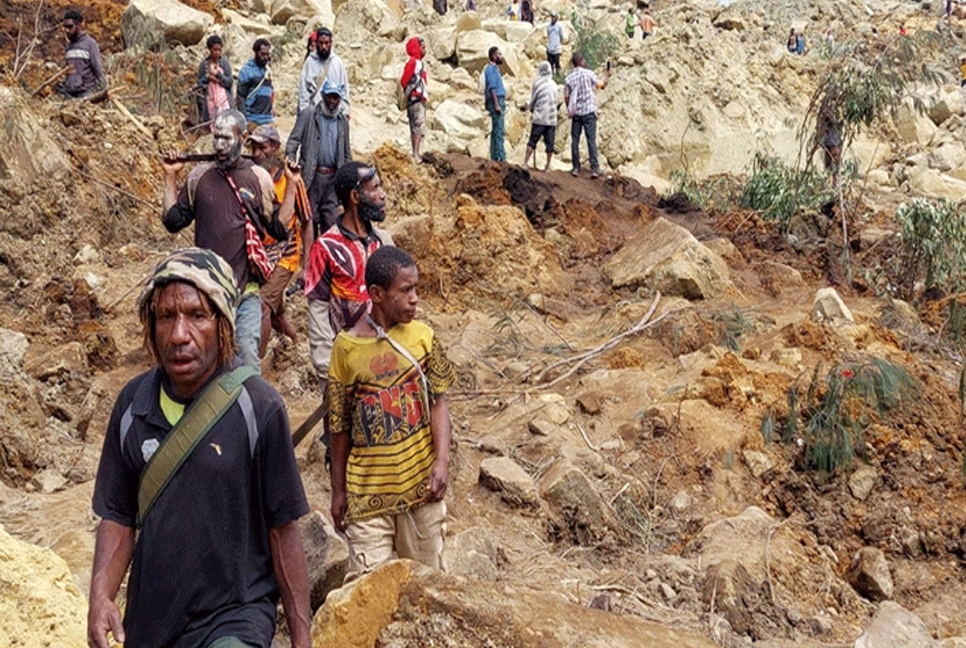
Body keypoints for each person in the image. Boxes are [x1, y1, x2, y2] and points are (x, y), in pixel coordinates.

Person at [87, 247, 310, 648]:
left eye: (196, 315)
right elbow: (118, 515)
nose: (178, 335)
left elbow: (283, 532)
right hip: (153, 626)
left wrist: (302, 637)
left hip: (235, 620)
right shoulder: (132, 406)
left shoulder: (258, 407)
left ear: (223, 323)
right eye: (166, 317)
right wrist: (100, 596)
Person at [328, 246, 456, 583]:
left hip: (421, 492)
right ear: (377, 294)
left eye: (416, 288)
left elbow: (439, 404)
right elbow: (338, 427)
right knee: (368, 592)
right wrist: (338, 491)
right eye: (405, 290)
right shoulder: (346, 349)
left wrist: (441, 461)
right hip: (367, 499)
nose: (415, 298)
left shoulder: (424, 338)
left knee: (429, 588)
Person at [162, 109, 289, 371]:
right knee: (207, 363)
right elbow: (172, 221)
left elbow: (277, 228)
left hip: (245, 293)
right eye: (215, 138)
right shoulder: (199, 177)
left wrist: (294, 185)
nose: (219, 146)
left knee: (248, 360)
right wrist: (170, 176)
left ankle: (250, 411)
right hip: (207, 293)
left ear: (242, 138)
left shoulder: (258, 178)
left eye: (226, 139)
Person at [303, 162, 394, 386]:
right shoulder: (325, 248)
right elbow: (318, 311)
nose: (382, 195)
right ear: (355, 196)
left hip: (385, 360)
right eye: (374, 188)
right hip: (346, 364)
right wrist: (327, 371)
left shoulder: (384, 242)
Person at [248, 125, 313, 359]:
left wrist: (306, 265)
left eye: (262, 147)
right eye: (253, 147)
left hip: (285, 255)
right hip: (258, 255)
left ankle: (254, 365)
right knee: (276, 314)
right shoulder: (251, 177)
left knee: (262, 304)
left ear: (275, 149)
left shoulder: (291, 181)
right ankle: (295, 344)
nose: (257, 153)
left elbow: (306, 221)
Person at [286, 79, 352, 235]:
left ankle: (326, 255)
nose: (331, 101)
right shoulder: (309, 114)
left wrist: (347, 180)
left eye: (335, 98)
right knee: (310, 219)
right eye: (329, 96)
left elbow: (347, 153)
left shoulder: (342, 121)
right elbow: (293, 141)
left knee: (330, 221)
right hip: (312, 176)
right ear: (323, 95)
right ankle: (311, 256)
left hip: (333, 179)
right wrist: (290, 163)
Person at [565, 51, 609, 178]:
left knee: (575, 140)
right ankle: (595, 168)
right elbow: (601, 86)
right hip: (589, 111)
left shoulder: (569, 78)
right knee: (591, 140)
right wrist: (607, 76)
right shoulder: (589, 74)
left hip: (576, 113)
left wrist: (570, 108)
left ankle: (575, 167)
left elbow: (566, 97)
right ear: (582, 61)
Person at [298, 27, 350, 117]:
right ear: (317, 43)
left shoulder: (338, 63)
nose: (324, 47)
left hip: (334, 115)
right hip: (314, 115)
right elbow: (304, 91)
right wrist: (304, 114)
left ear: (331, 43)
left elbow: (344, 90)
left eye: (326, 43)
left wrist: (345, 113)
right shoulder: (309, 62)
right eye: (321, 43)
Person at [56, 9, 107, 99]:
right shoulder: (68, 46)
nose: (66, 30)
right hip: (69, 94)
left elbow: (98, 69)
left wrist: (104, 90)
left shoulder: (90, 44)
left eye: (70, 27)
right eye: (65, 27)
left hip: (86, 94)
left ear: (78, 25)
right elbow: (68, 70)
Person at [524, 62, 557, 172]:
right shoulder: (554, 84)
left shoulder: (537, 83)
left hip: (539, 117)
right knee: (550, 143)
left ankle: (525, 162)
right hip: (551, 118)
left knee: (532, 141)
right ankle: (547, 166)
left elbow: (533, 99)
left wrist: (531, 109)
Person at [401, 36, 429, 160]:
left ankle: (415, 152)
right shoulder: (414, 62)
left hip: (414, 98)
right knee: (418, 125)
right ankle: (416, 153)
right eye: (422, 47)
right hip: (416, 98)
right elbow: (405, 79)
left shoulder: (416, 62)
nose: (425, 50)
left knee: (414, 126)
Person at [196, 34, 233, 128]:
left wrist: (218, 76)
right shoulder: (204, 64)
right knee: (212, 125)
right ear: (209, 49)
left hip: (224, 100)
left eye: (219, 50)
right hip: (210, 100)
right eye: (215, 50)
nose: (217, 52)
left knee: (225, 124)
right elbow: (199, 83)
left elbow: (229, 82)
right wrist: (207, 77)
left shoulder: (224, 63)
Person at [237, 39, 275, 127]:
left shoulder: (267, 70)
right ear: (255, 52)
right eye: (262, 54)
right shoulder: (246, 70)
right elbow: (241, 96)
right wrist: (244, 119)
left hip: (268, 118)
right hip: (252, 119)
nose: (265, 57)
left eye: (267, 54)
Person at [484, 47, 507, 162]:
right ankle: (501, 158)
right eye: (499, 54)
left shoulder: (495, 69)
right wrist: (496, 104)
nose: (501, 56)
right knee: (499, 130)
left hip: (496, 100)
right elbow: (492, 87)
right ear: (494, 56)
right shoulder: (491, 69)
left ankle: (494, 156)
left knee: (495, 130)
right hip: (497, 100)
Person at [547, 11, 563, 76]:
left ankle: (558, 76)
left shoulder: (559, 27)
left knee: (557, 64)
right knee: (550, 64)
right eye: (552, 17)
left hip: (556, 49)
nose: (552, 18)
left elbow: (561, 36)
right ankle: (552, 76)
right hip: (549, 49)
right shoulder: (549, 26)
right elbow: (548, 35)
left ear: (556, 18)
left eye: (554, 17)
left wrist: (558, 44)